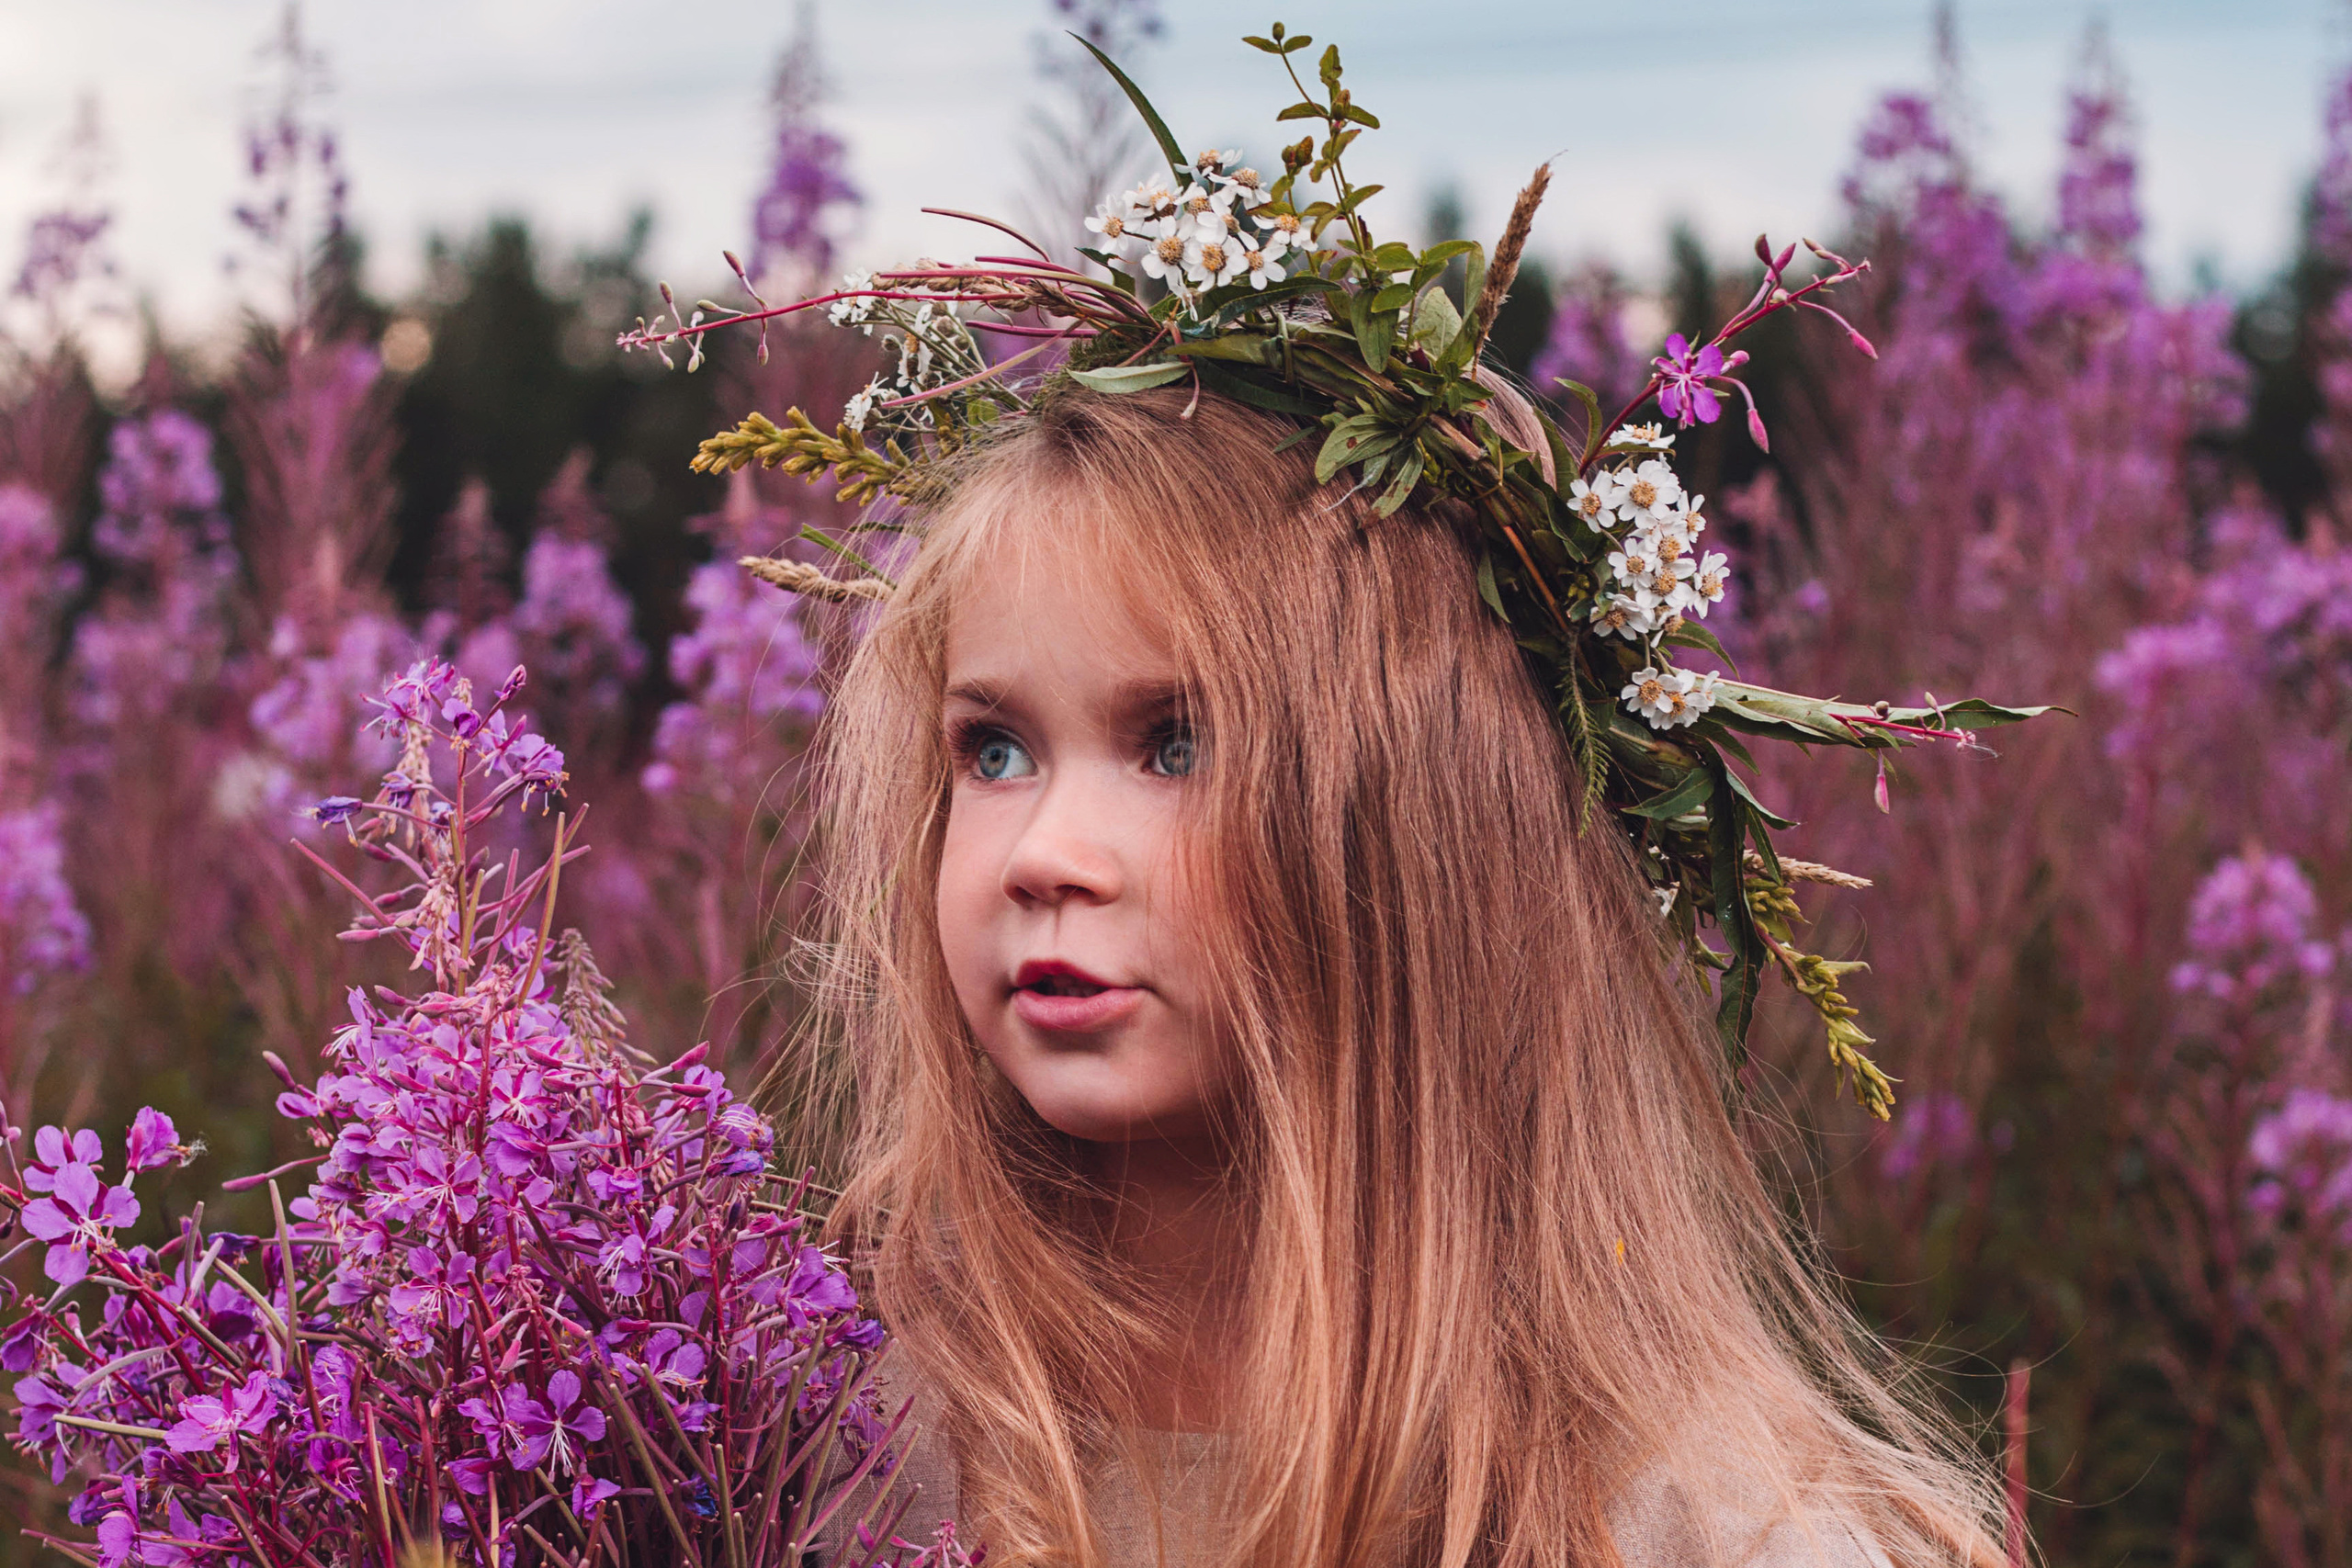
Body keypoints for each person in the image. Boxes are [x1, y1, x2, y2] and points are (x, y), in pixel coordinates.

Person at [806, 380, 2007, 1568]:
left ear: (1425, 841)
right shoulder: (830, 1439)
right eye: (994, 750)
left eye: (1180, 745)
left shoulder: (1699, 1529)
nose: (1047, 856)